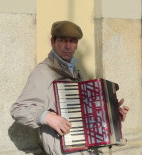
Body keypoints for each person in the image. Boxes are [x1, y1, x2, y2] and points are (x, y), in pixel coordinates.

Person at [10, 21, 130, 155]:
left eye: (72, 41)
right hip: (63, 150)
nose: (68, 46)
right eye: (62, 40)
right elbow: (18, 110)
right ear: (52, 42)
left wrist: (111, 115)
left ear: (77, 45)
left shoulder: (76, 72)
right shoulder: (43, 72)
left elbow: (87, 114)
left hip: (86, 149)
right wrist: (47, 117)